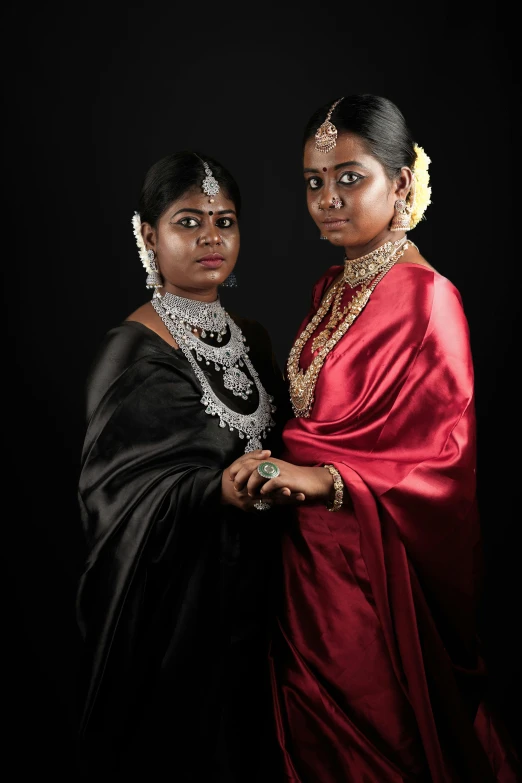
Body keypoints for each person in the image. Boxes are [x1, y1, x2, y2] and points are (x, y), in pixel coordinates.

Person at [231, 95, 520, 781]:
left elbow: (440, 464)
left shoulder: (429, 299)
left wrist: (322, 479)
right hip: (305, 576)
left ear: (403, 184)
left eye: (349, 176)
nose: (328, 197)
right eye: (313, 181)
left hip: (373, 580)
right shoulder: (332, 286)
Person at [75, 150, 296, 782]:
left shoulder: (250, 338)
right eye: (188, 221)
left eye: (224, 222)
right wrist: (210, 492)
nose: (210, 238)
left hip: (259, 601)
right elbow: (113, 502)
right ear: (149, 234)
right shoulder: (131, 352)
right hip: (178, 616)